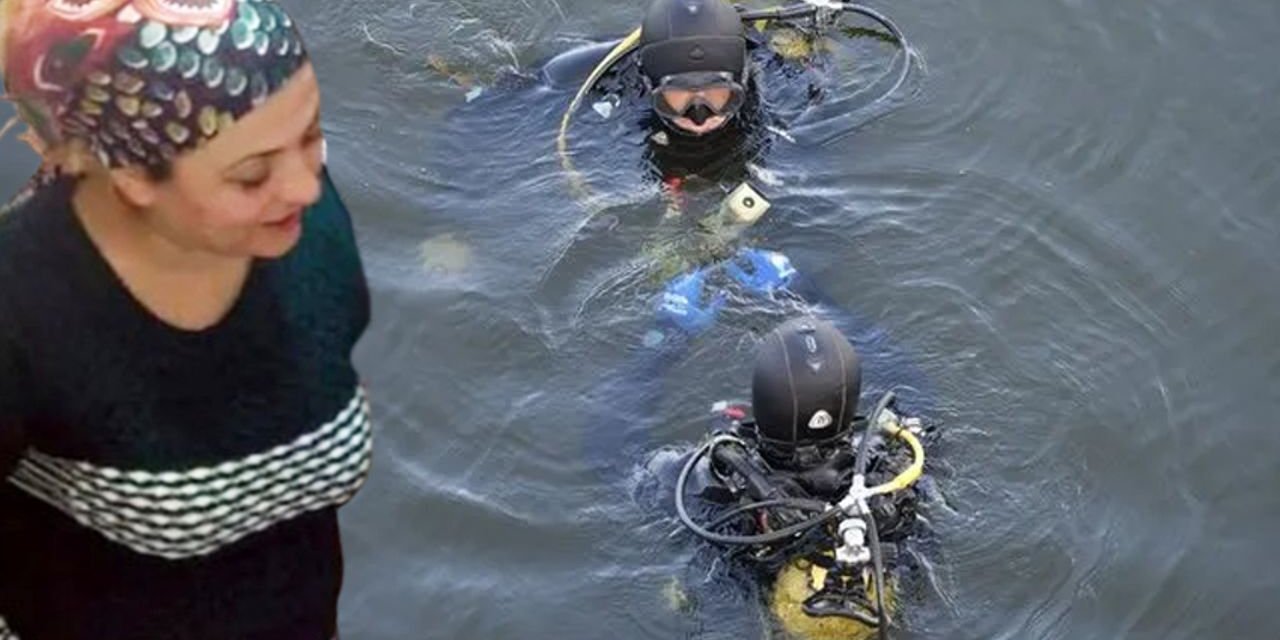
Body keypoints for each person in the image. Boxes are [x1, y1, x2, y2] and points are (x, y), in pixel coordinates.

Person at [0, 1, 371, 638]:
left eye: (311, 138)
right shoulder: (22, 306)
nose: (306, 188)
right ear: (133, 178)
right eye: (251, 174)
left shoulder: (305, 228)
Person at [590, 316, 930, 640]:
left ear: (763, 400)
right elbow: (917, 389)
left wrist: (666, 336)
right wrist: (810, 291)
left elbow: (608, 451)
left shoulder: (705, 481)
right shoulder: (888, 471)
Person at [546, 0, 911, 187]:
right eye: (678, 97)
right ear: (648, 86)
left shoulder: (778, 75)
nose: (700, 114)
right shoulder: (606, 78)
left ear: (743, 79)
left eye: (719, 95)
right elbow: (521, 90)